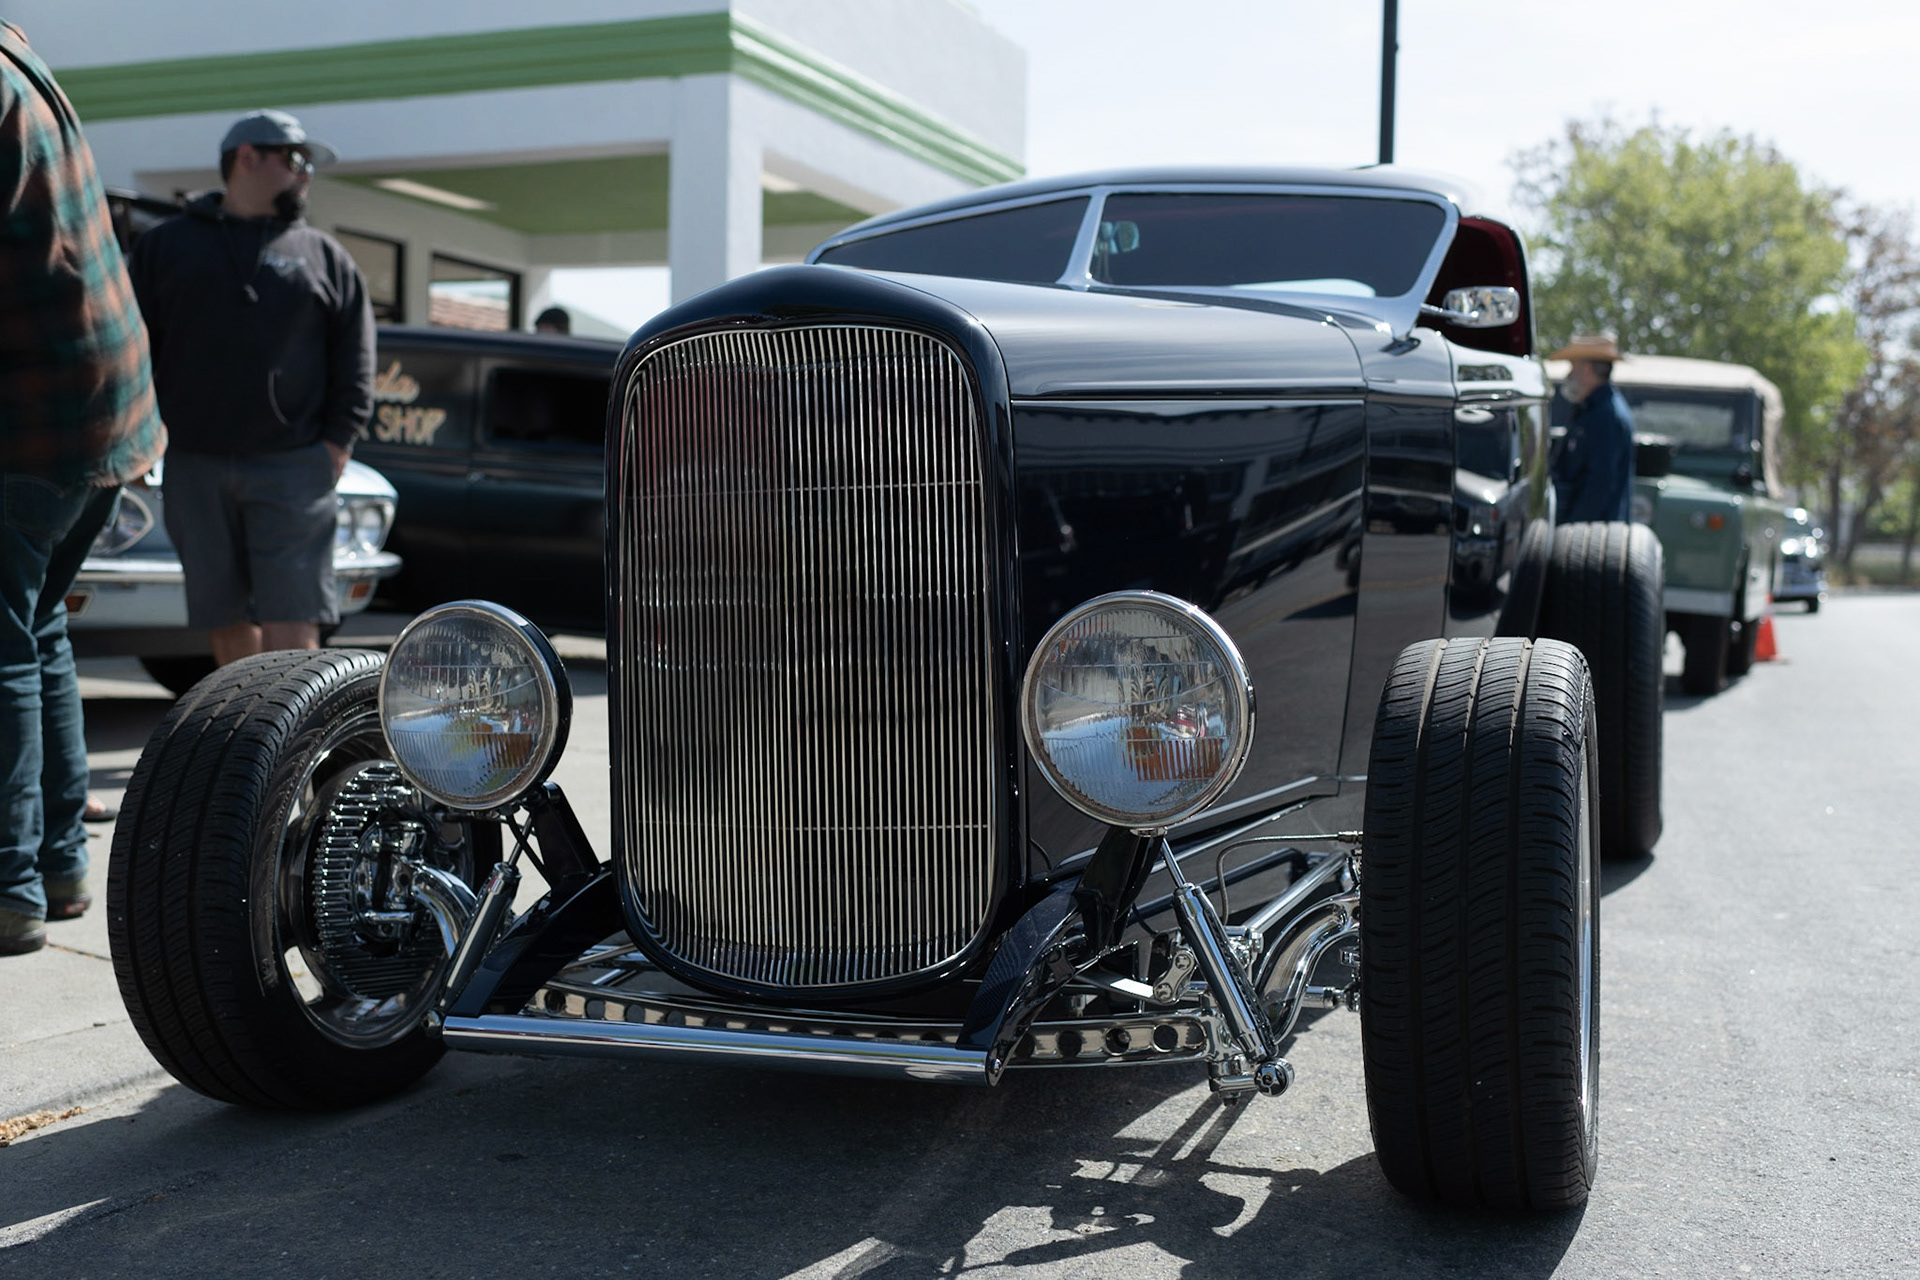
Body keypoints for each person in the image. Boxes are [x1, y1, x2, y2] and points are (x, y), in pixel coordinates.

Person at [1, 22, 166, 954]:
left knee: (5, 644)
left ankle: (8, 888)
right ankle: (60, 868)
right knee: (38, 629)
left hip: (33, 420)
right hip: (106, 411)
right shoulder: (16, 54)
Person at [127, 109, 374, 667]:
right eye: (295, 159)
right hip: (194, 465)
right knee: (224, 617)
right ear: (246, 158)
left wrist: (337, 445)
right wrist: (137, 437)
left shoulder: (325, 257)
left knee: (295, 618)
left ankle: (293, 728)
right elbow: (133, 349)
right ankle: (248, 726)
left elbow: (356, 361)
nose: (306, 174)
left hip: (293, 466)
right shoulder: (165, 247)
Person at [1551, 332, 1636, 524]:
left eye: (1573, 367)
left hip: (1592, 533)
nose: (1569, 375)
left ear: (1587, 370)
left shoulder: (1605, 415)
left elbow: (1599, 483)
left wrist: (1574, 528)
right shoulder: (1592, 409)